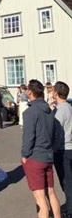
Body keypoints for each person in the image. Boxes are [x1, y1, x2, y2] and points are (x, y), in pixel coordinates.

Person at [22, 79, 61, 218]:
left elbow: (28, 137)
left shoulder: (30, 112)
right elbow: (55, 134)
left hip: (35, 156)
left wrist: (24, 155)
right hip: (48, 155)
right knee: (50, 192)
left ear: (30, 92)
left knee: (39, 198)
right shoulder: (49, 111)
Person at [52, 81, 72, 218]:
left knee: (66, 182)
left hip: (62, 149)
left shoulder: (60, 111)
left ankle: (70, 210)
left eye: (53, 90)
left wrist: (52, 148)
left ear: (57, 93)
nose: (51, 92)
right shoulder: (69, 107)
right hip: (69, 147)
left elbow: (56, 132)